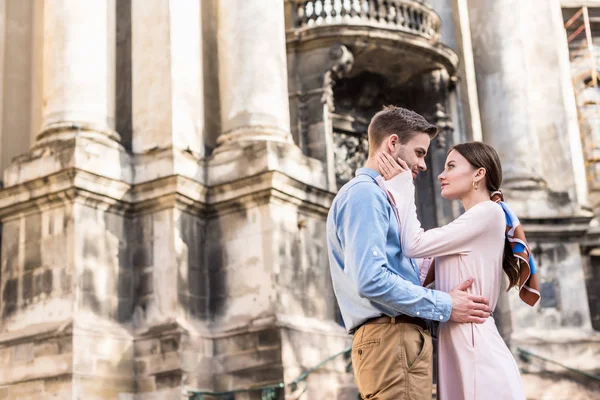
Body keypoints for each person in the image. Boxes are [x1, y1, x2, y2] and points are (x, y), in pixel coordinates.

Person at [326, 106, 492, 400]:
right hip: (392, 339)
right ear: (392, 144)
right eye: (419, 152)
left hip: (397, 340)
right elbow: (372, 280)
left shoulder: (382, 195)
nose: (424, 165)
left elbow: (391, 270)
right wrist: (445, 304)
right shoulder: (366, 194)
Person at [376, 141, 540, 400]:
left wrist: (402, 186)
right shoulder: (472, 222)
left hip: (476, 349)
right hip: (461, 346)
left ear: (479, 174)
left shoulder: (487, 212)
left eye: (451, 166)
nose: (441, 174)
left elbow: (413, 244)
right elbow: (415, 272)